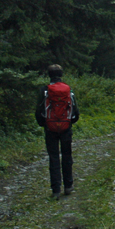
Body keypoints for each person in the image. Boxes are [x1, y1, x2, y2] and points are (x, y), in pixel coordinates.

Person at [36, 64, 80, 197]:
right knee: (67, 156)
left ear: (49, 75)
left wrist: (44, 124)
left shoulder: (45, 91)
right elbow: (75, 113)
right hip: (66, 128)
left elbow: (39, 111)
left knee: (53, 157)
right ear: (61, 75)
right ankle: (68, 186)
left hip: (50, 128)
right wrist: (68, 123)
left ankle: (55, 190)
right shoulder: (68, 91)